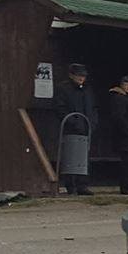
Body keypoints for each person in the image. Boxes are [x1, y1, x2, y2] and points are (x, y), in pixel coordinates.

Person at [50, 62, 93, 195]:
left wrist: (92, 122)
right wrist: (73, 122)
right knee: (70, 156)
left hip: (86, 127)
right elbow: (60, 108)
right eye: (79, 76)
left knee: (84, 157)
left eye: (83, 76)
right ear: (71, 76)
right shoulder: (63, 89)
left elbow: (93, 108)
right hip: (70, 127)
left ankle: (82, 185)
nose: (81, 78)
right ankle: (71, 185)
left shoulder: (87, 90)